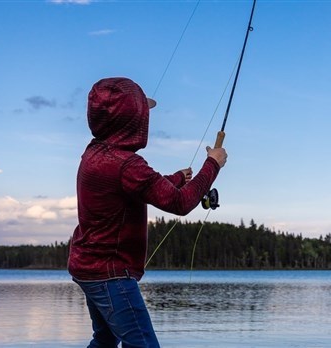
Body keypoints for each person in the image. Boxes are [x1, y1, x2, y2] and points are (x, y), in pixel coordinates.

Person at [68, 77, 227, 347]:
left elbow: (138, 184)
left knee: (104, 340)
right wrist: (212, 164)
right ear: (133, 120)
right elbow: (179, 204)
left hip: (86, 267)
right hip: (111, 275)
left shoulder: (94, 153)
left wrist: (176, 178)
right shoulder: (127, 164)